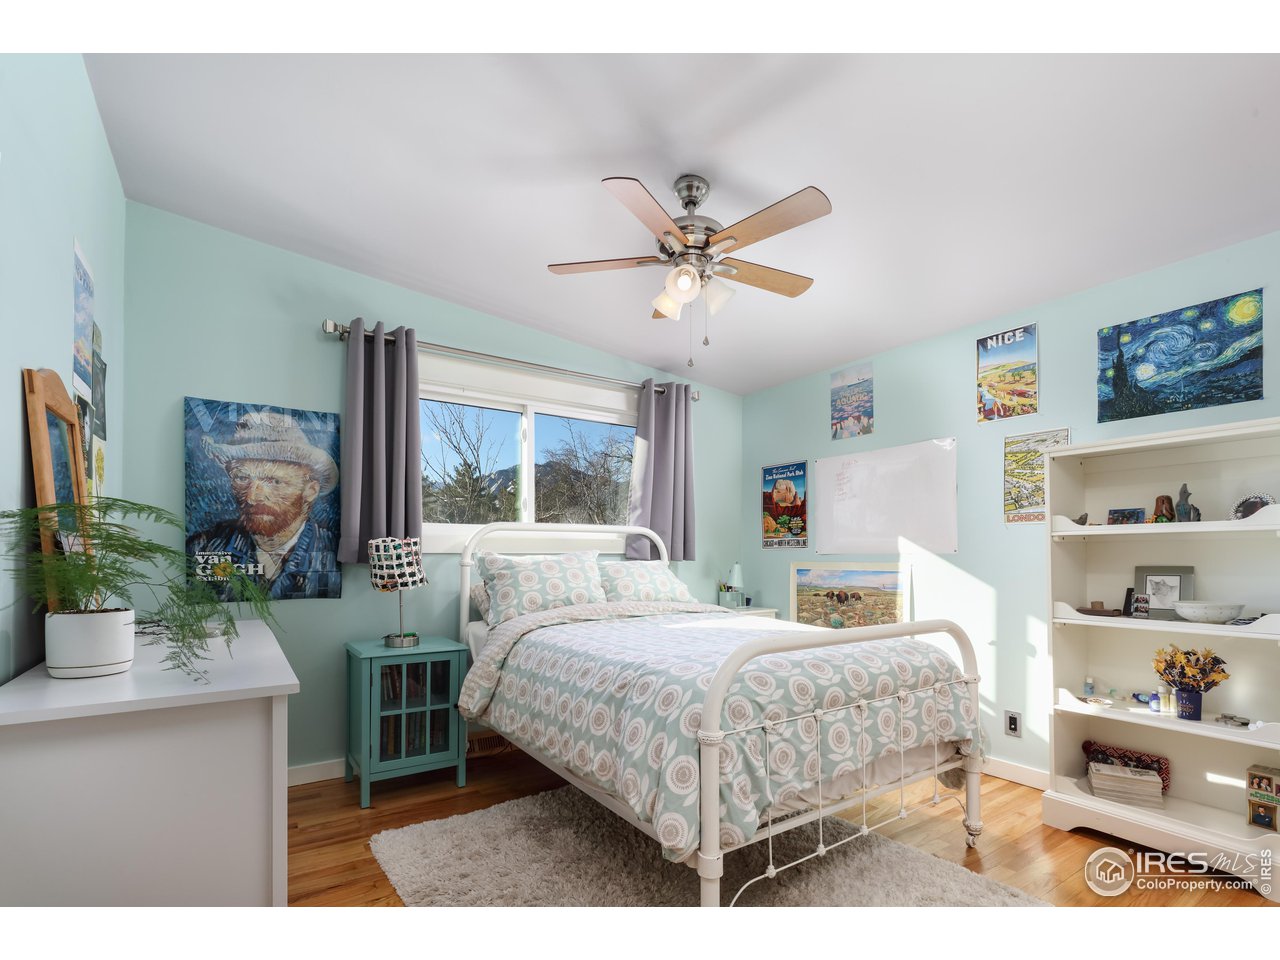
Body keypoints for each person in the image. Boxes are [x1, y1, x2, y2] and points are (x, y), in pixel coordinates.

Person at [188, 410, 341, 599]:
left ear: (310, 490)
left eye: (275, 482)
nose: (252, 497)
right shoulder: (203, 548)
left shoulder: (334, 554)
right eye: (242, 478)